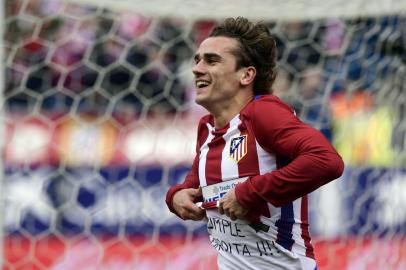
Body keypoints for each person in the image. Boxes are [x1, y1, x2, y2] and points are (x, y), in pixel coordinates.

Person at [165, 17, 344, 270]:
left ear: (246, 74)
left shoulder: (263, 113)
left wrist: (249, 193)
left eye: (211, 60)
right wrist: (177, 196)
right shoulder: (207, 126)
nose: (197, 68)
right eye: (197, 60)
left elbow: (326, 161)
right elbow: (196, 185)